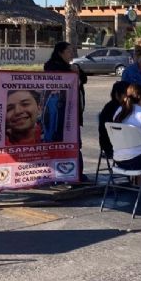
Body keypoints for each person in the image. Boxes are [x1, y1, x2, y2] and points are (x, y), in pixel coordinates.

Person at [44, 41, 88, 182]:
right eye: (69, 51)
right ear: (60, 52)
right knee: (56, 142)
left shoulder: (72, 66)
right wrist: (71, 72)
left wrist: (77, 71)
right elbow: (57, 80)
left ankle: (77, 173)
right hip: (58, 111)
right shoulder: (51, 65)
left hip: (73, 113)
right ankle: (55, 174)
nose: (71, 54)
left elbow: (84, 79)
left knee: (75, 144)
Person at [99, 81, 129, 158]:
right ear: (117, 94)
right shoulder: (117, 108)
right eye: (126, 94)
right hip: (114, 147)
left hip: (109, 146)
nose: (129, 97)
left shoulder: (111, 106)